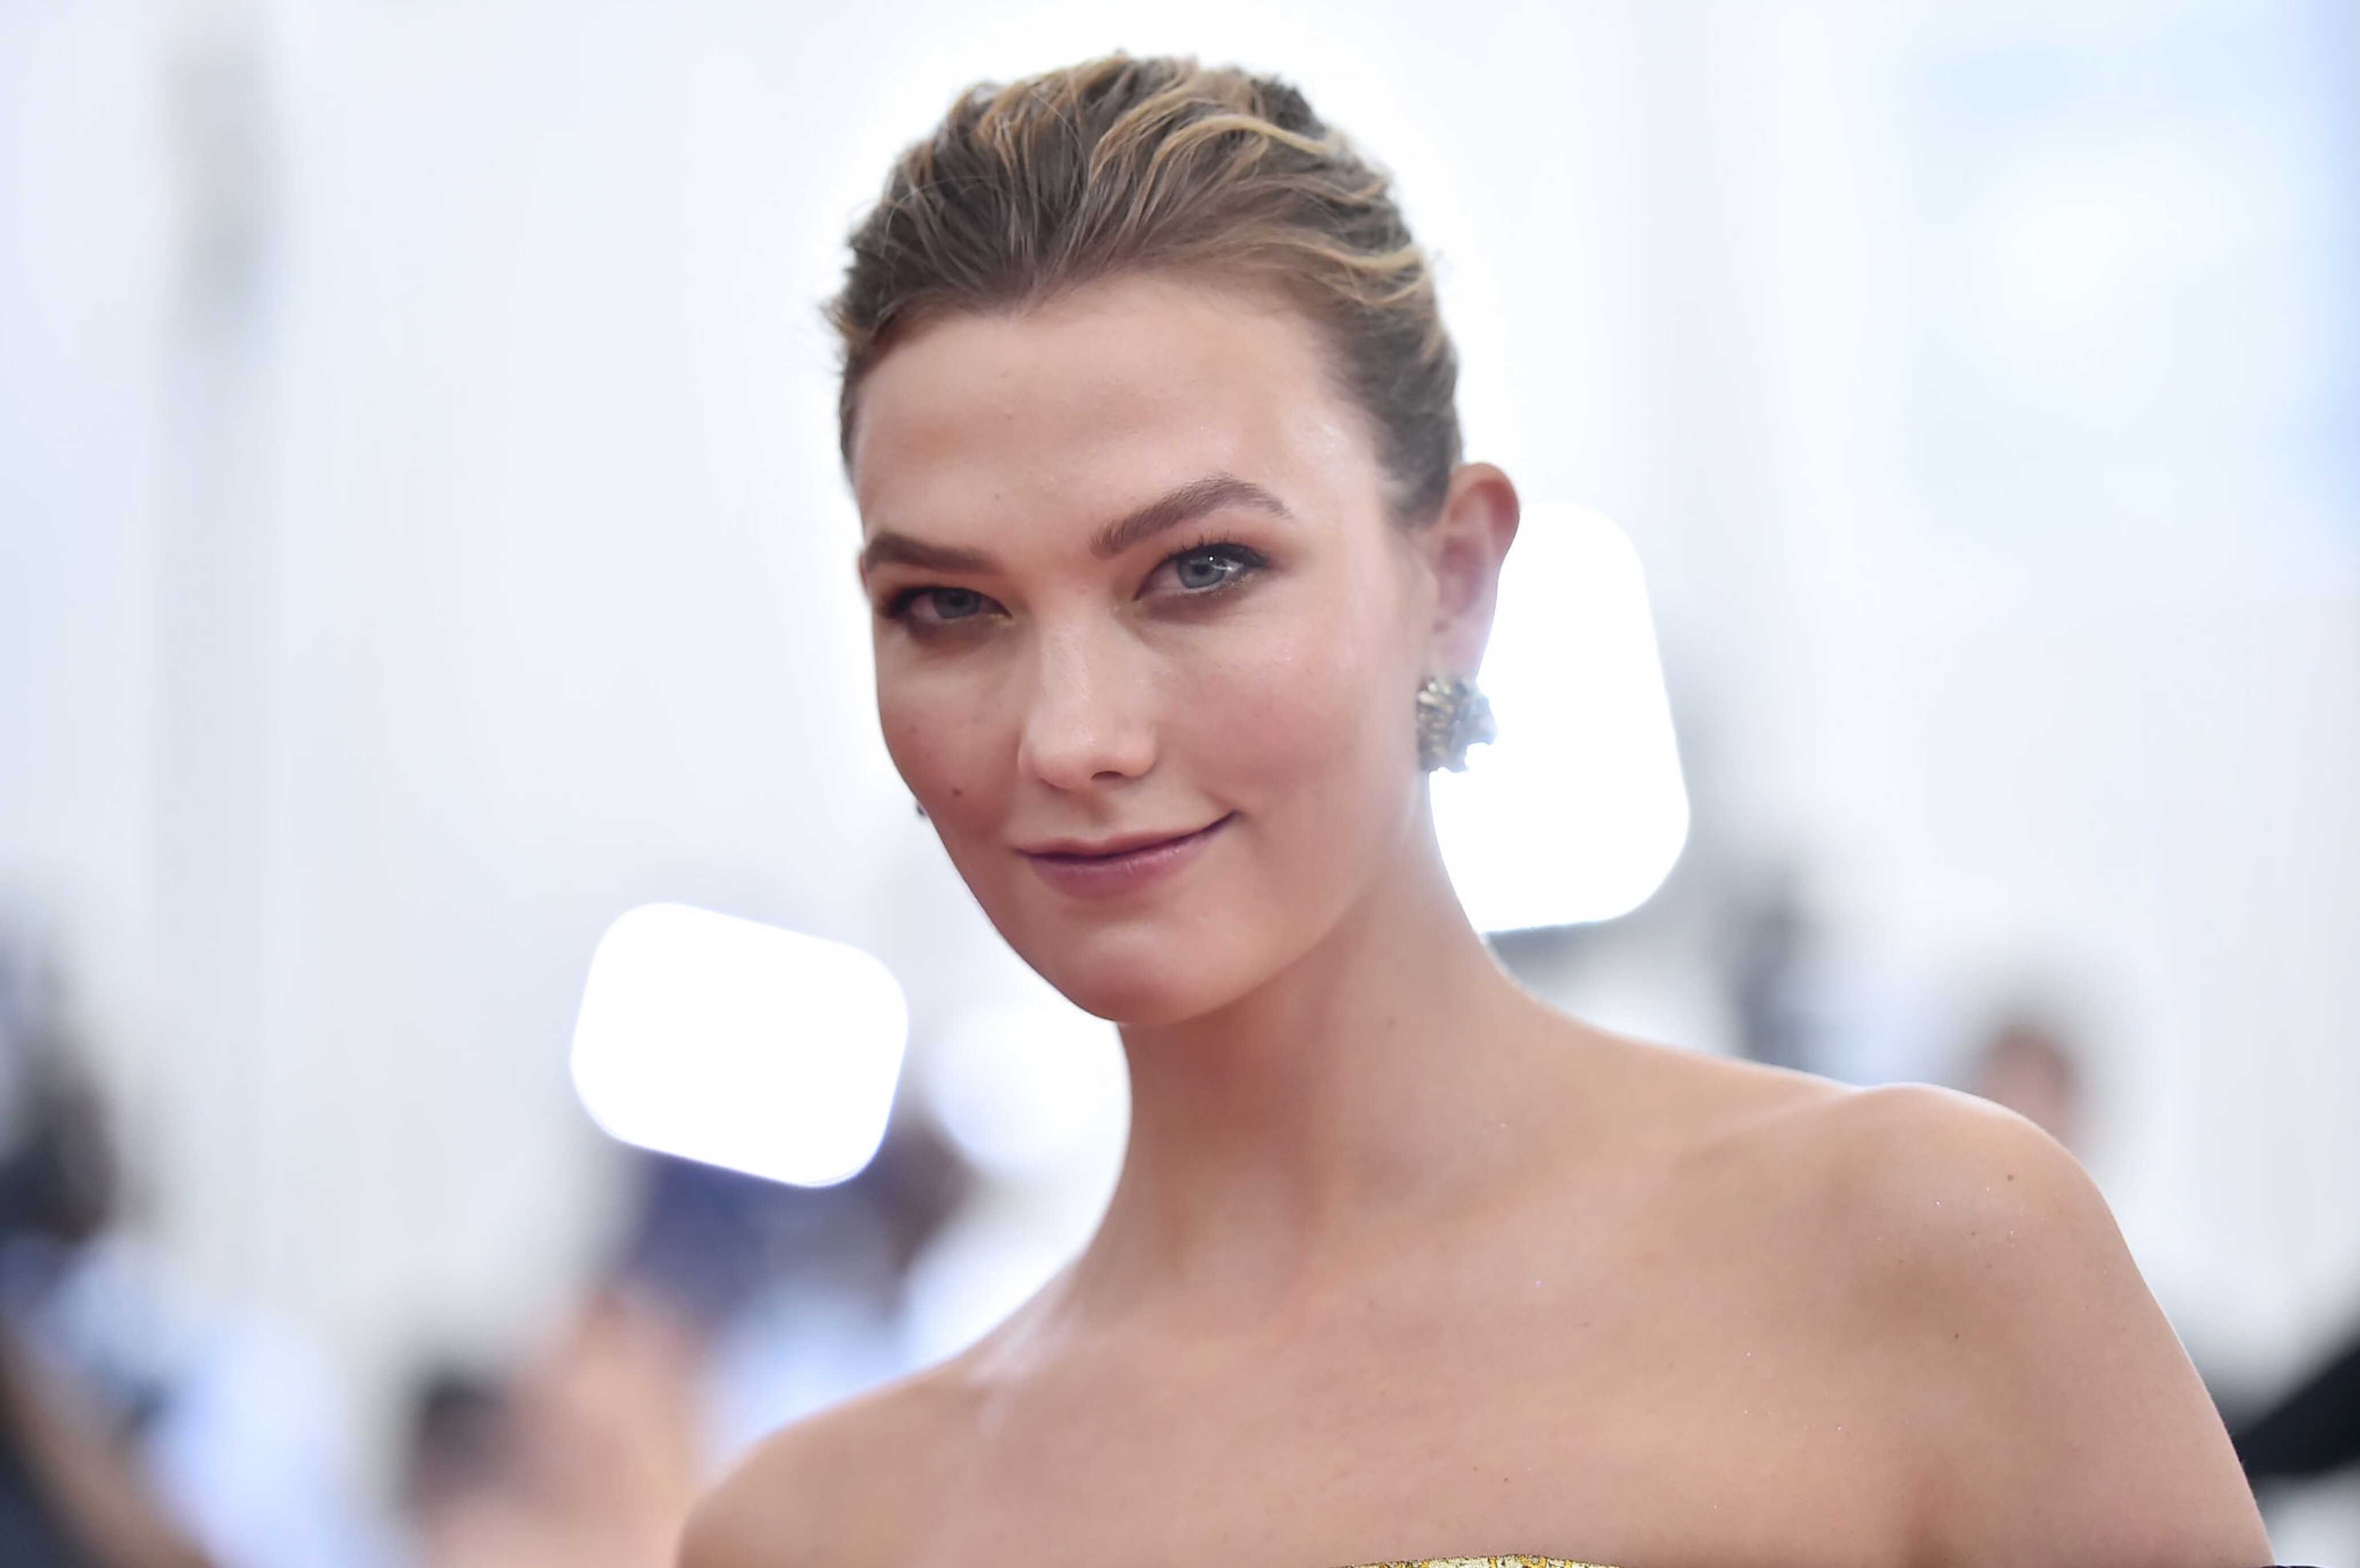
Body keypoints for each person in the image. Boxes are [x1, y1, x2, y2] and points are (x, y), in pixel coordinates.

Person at [683, 55, 2273, 1567]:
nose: (1072, 737)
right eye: (948, 607)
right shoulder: (819, 1533)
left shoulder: (1926, 1256)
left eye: (1203, 570)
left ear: (1450, 583)